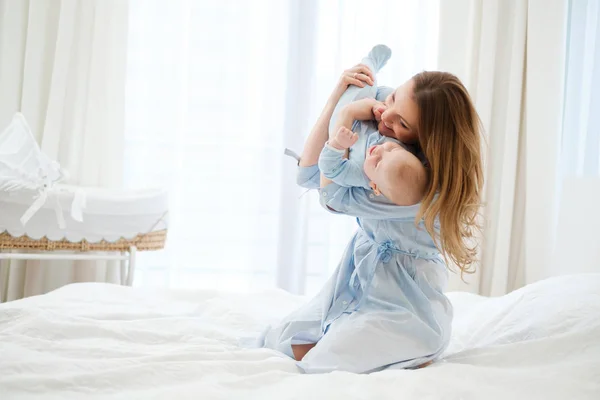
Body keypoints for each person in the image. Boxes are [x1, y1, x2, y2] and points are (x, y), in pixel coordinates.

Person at [255, 50, 484, 374]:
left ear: (427, 140)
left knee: (324, 361)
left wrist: (347, 113)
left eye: (401, 122)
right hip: (360, 278)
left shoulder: (404, 178)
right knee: (282, 340)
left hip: (401, 302)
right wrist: (340, 93)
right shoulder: (389, 137)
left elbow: (330, 197)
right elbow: (308, 173)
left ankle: (418, 344)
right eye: (391, 99)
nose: (384, 116)